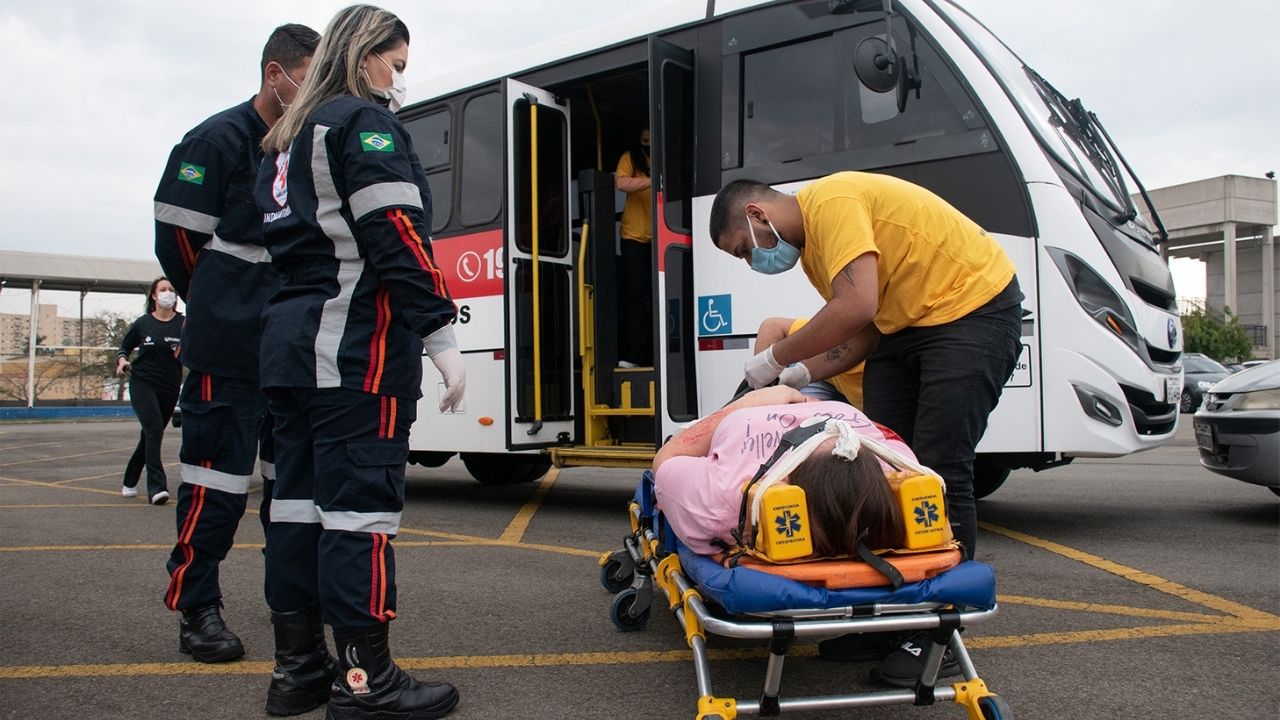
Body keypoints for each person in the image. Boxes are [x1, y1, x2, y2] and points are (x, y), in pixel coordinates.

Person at [709, 171, 1023, 676]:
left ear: (757, 215)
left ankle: (937, 633)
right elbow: (862, 331)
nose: (751, 262)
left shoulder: (831, 203)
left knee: (938, 469)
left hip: (971, 313)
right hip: (907, 329)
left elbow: (856, 304)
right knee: (879, 466)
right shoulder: (816, 249)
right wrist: (800, 373)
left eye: (745, 250)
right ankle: (888, 620)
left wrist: (774, 355)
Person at [256, 6, 463, 718]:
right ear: (365, 53)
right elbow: (396, 234)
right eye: (395, 64)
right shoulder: (362, 124)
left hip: (289, 352)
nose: (397, 79)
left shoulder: (283, 141)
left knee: (293, 512)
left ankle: (298, 674)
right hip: (355, 353)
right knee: (357, 519)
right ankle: (366, 683)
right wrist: (438, 331)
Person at [153, 22, 320, 673]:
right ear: (274, 74)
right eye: (305, 81)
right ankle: (197, 607)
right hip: (228, 351)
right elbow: (179, 244)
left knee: (293, 490)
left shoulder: (304, 148)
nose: (311, 96)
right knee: (214, 485)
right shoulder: (215, 140)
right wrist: (223, 301)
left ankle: (294, 606)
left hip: (291, 353)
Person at [653, 385, 905, 559]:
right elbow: (886, 435)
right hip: (844, 417)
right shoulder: (899, 472)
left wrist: (743, 405)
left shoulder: (725, 501)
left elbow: (666, 459)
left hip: (751, 415)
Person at [117, 277, 184, 505]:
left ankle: (129, 479)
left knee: (149, 435)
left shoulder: (184, 324)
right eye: (163, 290)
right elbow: (124, 348)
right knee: (154, 429)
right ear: (154, 296)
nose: (168, 293)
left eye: (171, 290)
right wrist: (122, 361)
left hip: (170, 386)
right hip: (142, 383)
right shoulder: (143, 323)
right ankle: (156, 487)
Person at [754, 316, 864, 407]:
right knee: (798, 417)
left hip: (858, 395)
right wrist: (764, 390)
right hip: (821, 378)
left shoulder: (874, 391)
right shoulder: (841, 331)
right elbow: (772, 326)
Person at [615, 126, 653, 367]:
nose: (647, 143)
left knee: (657, 298)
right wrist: (651, 179)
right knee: (636, 299)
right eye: (644, 139)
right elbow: (621, 183)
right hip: (634, 238)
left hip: (663, 238)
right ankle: (634, 355)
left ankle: (656, 352)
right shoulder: (630, 157)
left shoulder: (665, 156)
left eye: (651, 139)